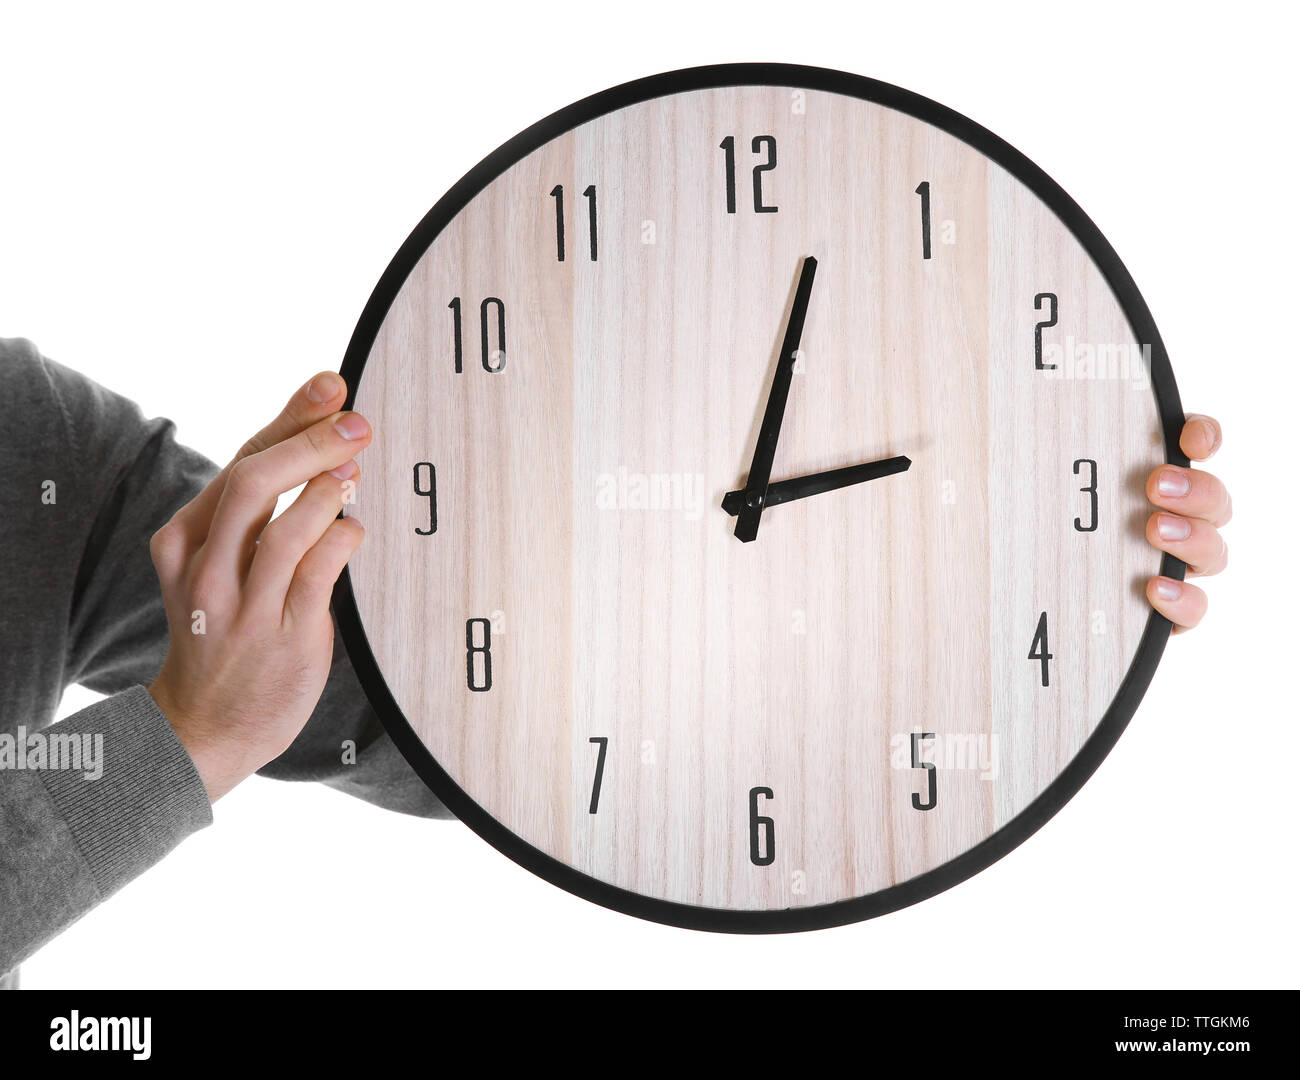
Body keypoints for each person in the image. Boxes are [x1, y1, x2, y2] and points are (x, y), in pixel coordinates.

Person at [0, 336, 1231, 985]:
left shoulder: (25, 436)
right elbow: (245, 708)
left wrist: (977, 589)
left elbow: (391, 709)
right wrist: (187, 741)